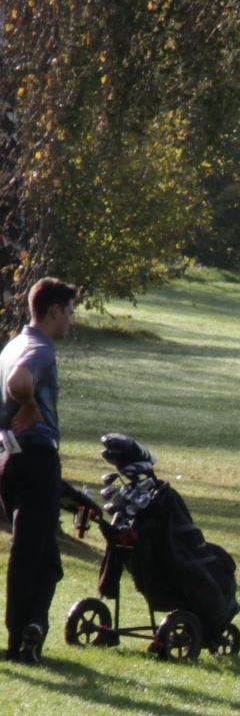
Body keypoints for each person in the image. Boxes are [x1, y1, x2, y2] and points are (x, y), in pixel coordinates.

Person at [0, 278, 80, 664]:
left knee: (45, 557)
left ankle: (33, 625)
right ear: (53, 311)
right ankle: (19, 642)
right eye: (69, 313)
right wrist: (31, 407)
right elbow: (19, 382)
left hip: (9, 459)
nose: (71, 321)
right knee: (30, 555)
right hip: (36, 458)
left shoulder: (12, 345)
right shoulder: (41, 349)